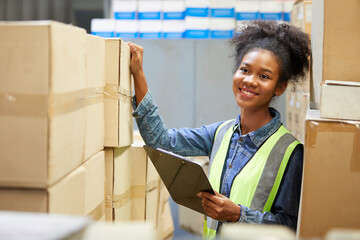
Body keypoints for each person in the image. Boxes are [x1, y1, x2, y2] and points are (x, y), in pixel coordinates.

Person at [127, 20, 311, 239]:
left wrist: (238, 215)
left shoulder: (290, 152)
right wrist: (138, 73)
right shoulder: (220, 133)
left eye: (264, 76)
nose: (250, 80)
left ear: (279, 87)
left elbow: (290, 227)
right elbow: (161, 141)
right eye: (245, 70)